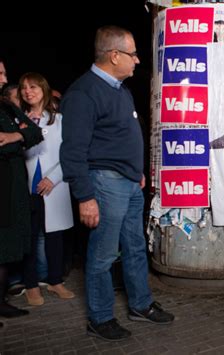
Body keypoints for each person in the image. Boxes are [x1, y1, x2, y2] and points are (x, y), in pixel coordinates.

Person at [60, 25, 174, 342]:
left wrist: (135, 170)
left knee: (136, 248)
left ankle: (140, 304)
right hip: (104, 186)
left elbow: (117, 138)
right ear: (114, 55)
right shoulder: (84, 93)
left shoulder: (119, 91)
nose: (137, 60)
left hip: (128, 184)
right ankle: (100, 317)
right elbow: (72, 151)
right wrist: (85, 197)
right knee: (103, 255)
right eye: (133, 53)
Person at [19, 72, 75, 306]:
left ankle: (55, 280)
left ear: (43, 89)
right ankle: (31, 286)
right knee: (29, 238)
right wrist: (25, 129)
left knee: (55, 237)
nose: (27, 91)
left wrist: (53, 178)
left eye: (33, 87)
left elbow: (69, 153)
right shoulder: (18, 120)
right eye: (23, 88)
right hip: (27, 187)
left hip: (54, 186)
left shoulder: (59, 120)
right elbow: (21, 155)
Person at [1, 92, 43, 327]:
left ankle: (1, 301)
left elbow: (35, 134)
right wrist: (20, 136)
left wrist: (13, 135)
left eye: (4, 73)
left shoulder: (7, 106)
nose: (3, 78)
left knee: (7, 242)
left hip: (14, 183)